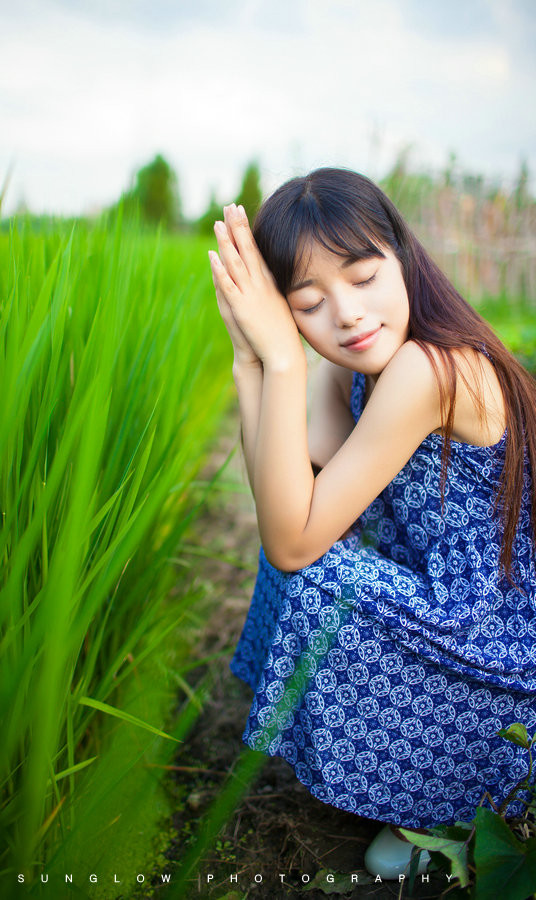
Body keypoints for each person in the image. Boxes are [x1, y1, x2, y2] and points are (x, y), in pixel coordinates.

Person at [207, 168, 536, 880]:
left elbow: (296, 542)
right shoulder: (357, 355)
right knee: (293, 536)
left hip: (497, 644)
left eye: (363, 276)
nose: (348, 314)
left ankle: (442, 803)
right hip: (439, 607)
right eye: (309, 302)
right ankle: (389, 761)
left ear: (403, 256)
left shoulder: (428, 366)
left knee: (313, 570)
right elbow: (291, 483)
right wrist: (250, 358)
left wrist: (286, 361)